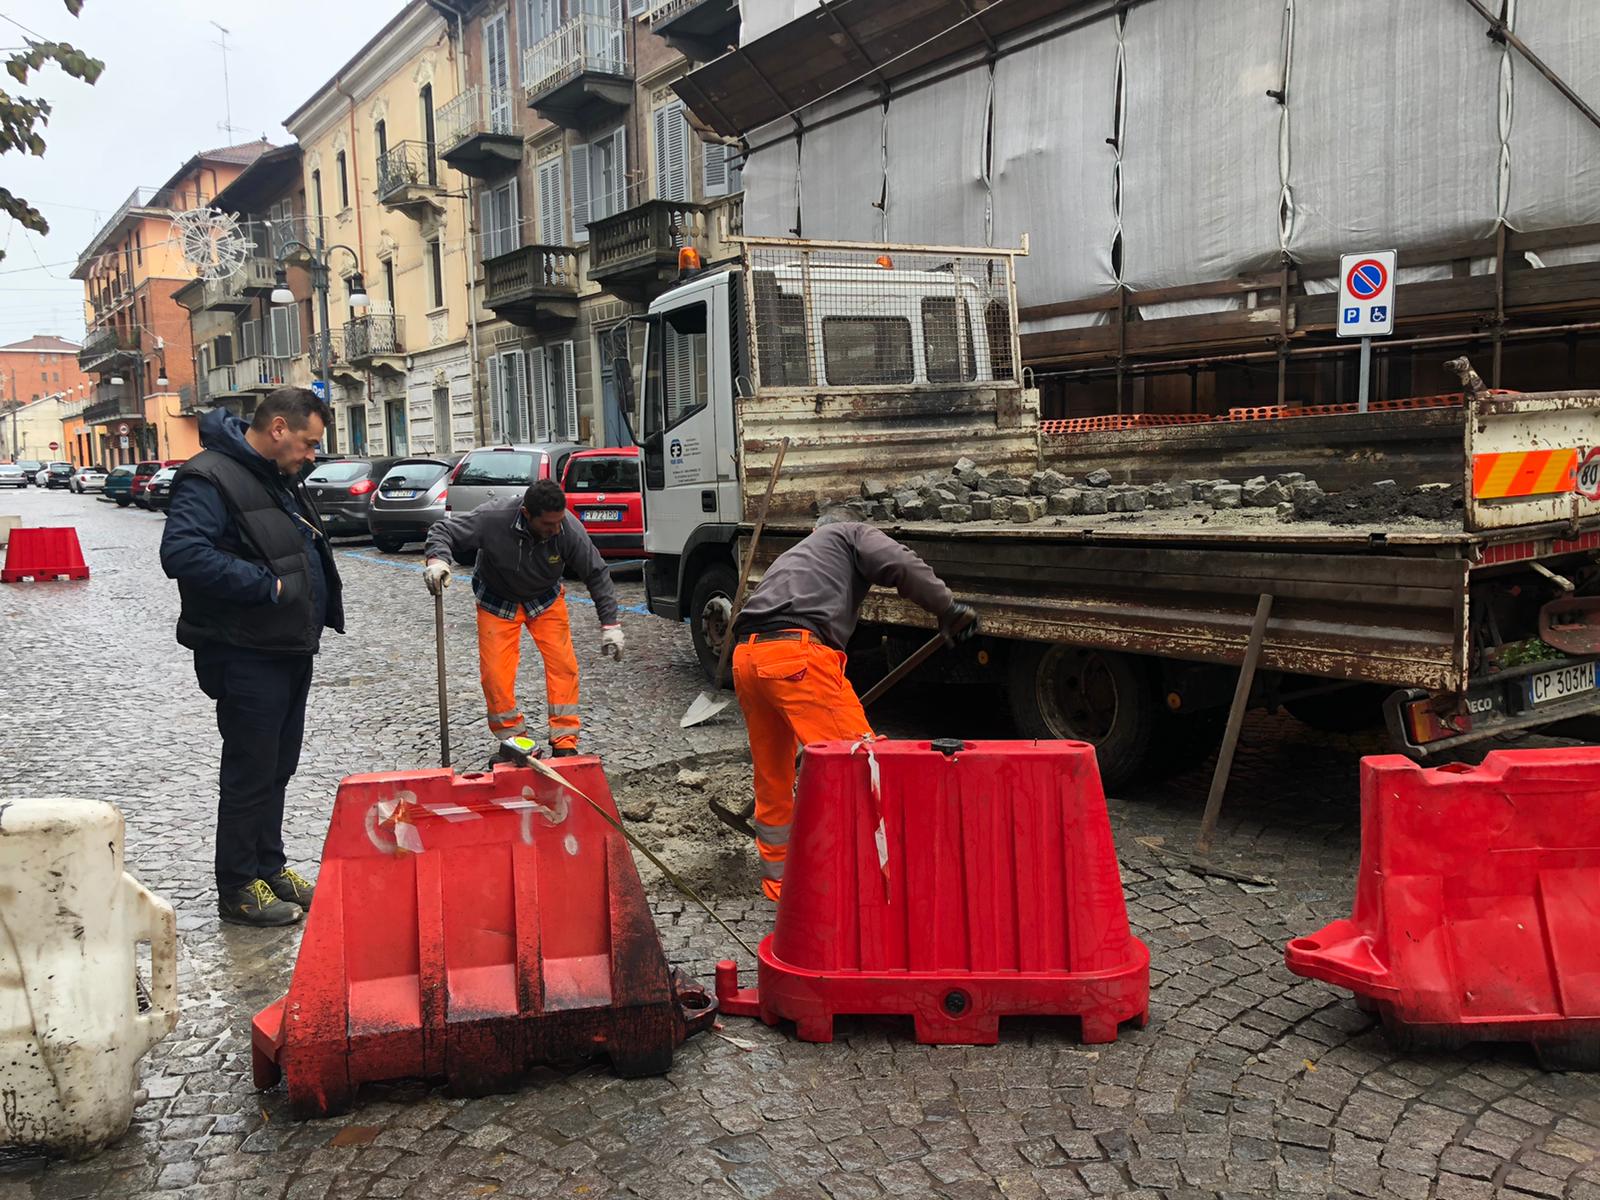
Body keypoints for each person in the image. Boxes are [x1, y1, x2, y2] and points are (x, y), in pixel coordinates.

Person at [159, 388, 343, 928]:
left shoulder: (275, 476)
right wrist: (269, 587)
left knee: (277, 766)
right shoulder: (209, 475)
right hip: (244, 649)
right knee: (249, 770)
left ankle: (270, 866)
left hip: (285, 645)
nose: (312, 455)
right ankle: (238, 886)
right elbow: (183, 554)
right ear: (279, 428)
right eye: (309, 443)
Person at [731, 512, 976, 900]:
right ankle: (877, 880)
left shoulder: (799, 554)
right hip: (797, 656)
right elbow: (899, 563)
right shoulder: (850, 533)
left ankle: (781, 886)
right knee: (864, 768)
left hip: (747, 658)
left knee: (773, 778)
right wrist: (947, 608)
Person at [423, 479, 623, 760]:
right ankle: (513, 742)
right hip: (497, 600)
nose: (555, 530)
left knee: (563, 666)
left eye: (559, 522)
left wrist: (610, 624)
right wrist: (438, 561)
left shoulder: (567, 530)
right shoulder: (493, 519)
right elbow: (442, 530)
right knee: (495, 676)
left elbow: (596, 572)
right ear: (527, 514)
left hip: (545, 600)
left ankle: (565, 741)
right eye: (548, 525)